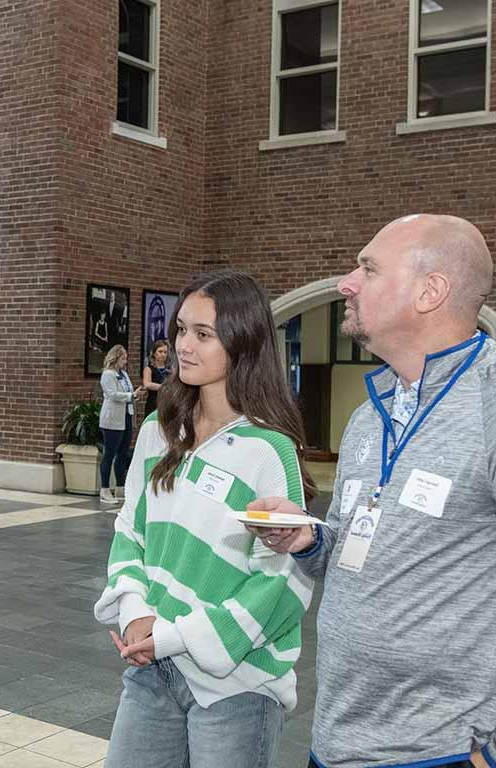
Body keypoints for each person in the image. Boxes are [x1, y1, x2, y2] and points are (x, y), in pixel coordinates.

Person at [249, 214, 496, 768]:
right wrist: (309, 540)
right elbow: (366, 554)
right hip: (338, 743)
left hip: (445, 752)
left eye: (368, 268)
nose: (346, 284)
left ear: (430, 291)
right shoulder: (370, 418)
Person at [94, 270, 318, 768]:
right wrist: (135, 613)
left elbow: (281, 581)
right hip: (153, 667)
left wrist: (170, 636)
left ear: (243, 344)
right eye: (180, 330)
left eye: (203, 334)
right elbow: (131, 530)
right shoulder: (159, 429)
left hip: (238, 685)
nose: (182, 347)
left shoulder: (268, 450)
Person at [99, 344, 141, 504]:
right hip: (112, 419)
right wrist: (131, 395)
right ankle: (104, 489)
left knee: (122, 453)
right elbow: (112, 394)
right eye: (123, 358)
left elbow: (127, 392)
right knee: (109, 454)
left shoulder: (123, 374)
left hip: (126, 417)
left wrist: (135, 395)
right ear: (115, 357)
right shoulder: (108, 374)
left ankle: (120, 487)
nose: (125, 361)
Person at [141, 339, 170, 418]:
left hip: (167, 403)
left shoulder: (170, 369)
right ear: (154, 353)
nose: (163, 354)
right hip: (153, 404)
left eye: (165, 352)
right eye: (160, 352)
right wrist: (164, 387)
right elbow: (147, 384)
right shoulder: (149, 369)